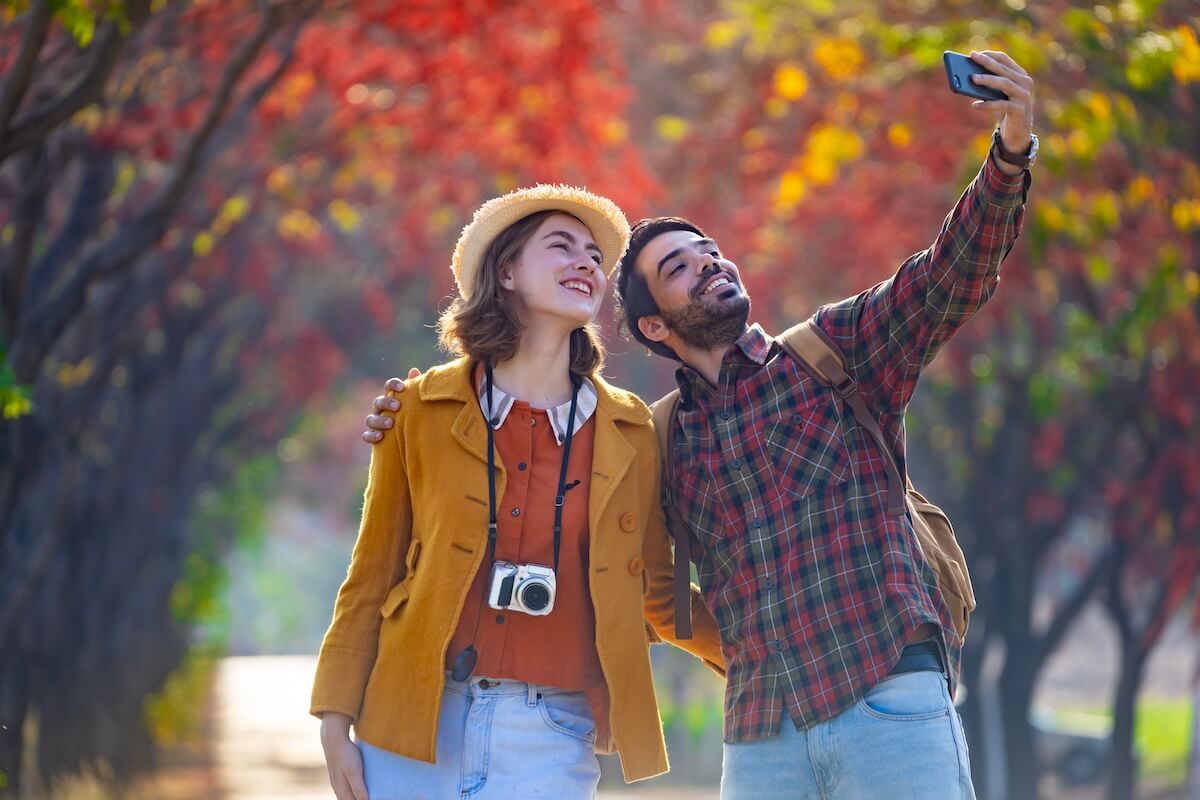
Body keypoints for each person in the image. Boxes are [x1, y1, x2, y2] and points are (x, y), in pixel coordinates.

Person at [364, 50, 1035, 798]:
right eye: (680, 268)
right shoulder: (658, 440)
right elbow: (621, 560)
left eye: (711, 253)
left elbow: (953, 272)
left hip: (888, 698)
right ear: (653, 328)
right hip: (760, 732)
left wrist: (1009, 154)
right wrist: (413, 411)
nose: (711, 264)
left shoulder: (837, 356)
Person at [312, 185, 724, 800]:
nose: (586, 262)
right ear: (505, 271)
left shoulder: (631, 432)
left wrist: (764, 650)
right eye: (561, 246)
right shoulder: (420, 410)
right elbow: (372, 574)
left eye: (593, 255)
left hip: (553, 734)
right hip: (407, 724)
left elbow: (656, 592)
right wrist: (335, 720)